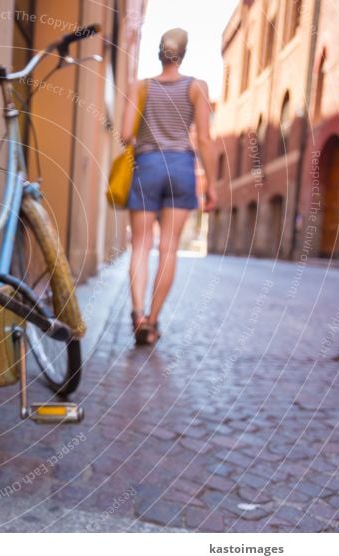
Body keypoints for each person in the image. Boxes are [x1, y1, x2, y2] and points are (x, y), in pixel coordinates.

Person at [121, 27, 217, 345]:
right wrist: (211, 186)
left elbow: (124, 135)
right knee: (168, 248)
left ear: (159, 53)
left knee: (140, 245)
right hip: (180, 167)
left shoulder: (141, 87)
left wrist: (147, 136)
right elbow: (203, 138)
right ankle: (152, 320)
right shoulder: (197, 87)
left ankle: (136, 312)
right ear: (183, 54)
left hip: (147, 165)